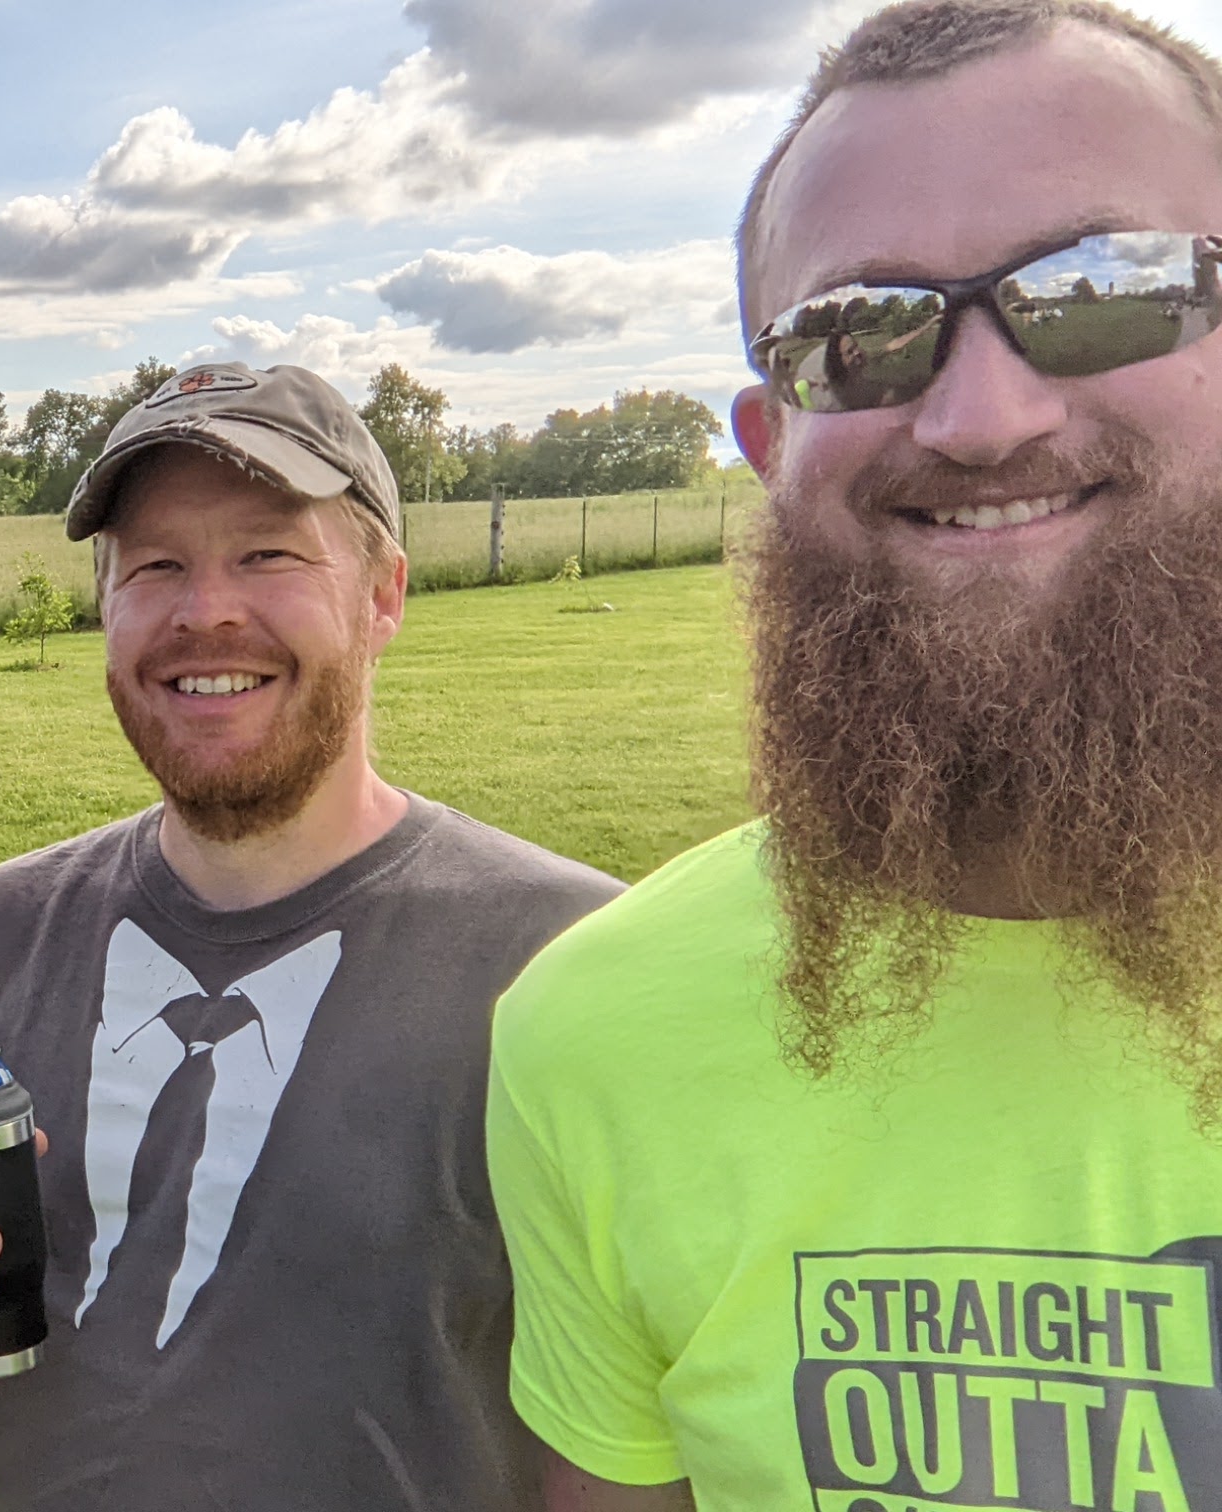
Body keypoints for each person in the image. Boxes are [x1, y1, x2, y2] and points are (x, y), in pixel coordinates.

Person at [486, 5, 1222, 1508]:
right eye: (858, 333)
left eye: (1105, 289)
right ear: (769, 447)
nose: (980, 417)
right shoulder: (593, 1037)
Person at [0, 362, 622, 1510]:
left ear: (384, 593)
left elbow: (643, 1435)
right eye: (155, 567)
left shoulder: (569, 959)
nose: (205, 612)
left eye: (268, 555)